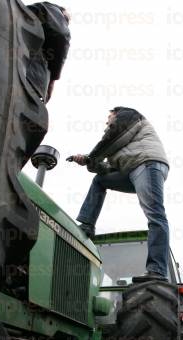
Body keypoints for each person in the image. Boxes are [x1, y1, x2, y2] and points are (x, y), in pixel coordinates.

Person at [68, 107, 170, 280]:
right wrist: (87, 161)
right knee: (100, 181)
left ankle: (157, 269)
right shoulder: (120, 147)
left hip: (147, 164)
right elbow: (105, 169)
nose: (107, 125)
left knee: (155, 215)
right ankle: (87, 224)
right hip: (132, 168)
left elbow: (109, 139)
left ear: (116, 114)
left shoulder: (128, 117)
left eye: (109, 120)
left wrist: (90, 157)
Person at [27, 2, 71, 102]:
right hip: (29, 80)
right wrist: (53, 80)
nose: (66, 24)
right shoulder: (52, 10)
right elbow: (61, 34)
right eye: (66, 21)